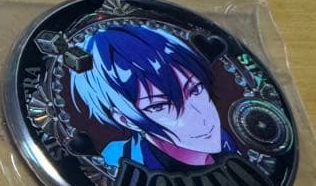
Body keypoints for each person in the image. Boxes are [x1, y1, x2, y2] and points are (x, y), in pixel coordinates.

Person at [70, 25, 236, 171]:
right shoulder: (119, 161)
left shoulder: (225, 142)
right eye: (159, 106)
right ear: (126, 119)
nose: (200, 117)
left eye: (195, 90)